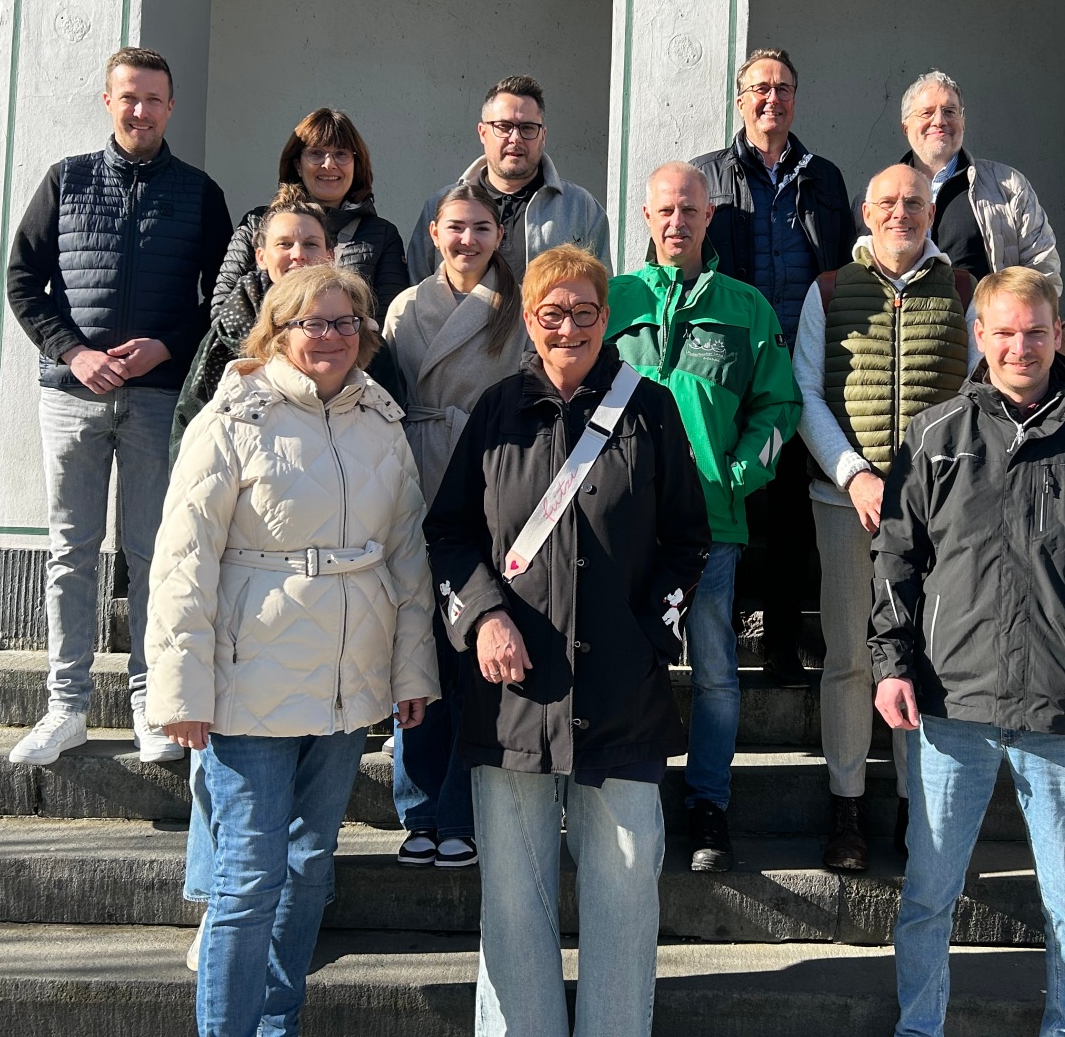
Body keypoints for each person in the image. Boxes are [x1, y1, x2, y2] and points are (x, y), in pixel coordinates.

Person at [146, 264, 440, 1037]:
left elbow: (408, 553)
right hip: (251, 681)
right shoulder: (231, 417)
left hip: (349, 681)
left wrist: (414, 668)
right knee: (247, 881)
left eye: (347, 323)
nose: (332, 337)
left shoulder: (381, 417)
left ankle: (279, 1025)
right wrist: (179, 692)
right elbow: (182, 562)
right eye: (314, 322)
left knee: (310, 870)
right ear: (278, 330)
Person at [426, 243, 710, 1037]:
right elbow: (447, 533)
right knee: (515, 907)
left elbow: (691, 539)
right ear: (530, 319)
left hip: (624, 698)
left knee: (623, 901)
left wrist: (653, 633)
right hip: (514, 700)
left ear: (606, 319)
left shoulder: (650, 409)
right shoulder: (494, 411)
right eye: (554, 313)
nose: (570, 327)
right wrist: (483, 616)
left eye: (586, 312)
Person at [872, 266, 1065, 1037]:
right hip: (952, 701)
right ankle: (918, 1027)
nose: (1020, 346)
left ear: (1059, 334)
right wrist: (891, 663)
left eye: (1035, 331)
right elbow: (898, 557)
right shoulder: (936, 435)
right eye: (1004, 331)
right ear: (981, 336)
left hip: (1064, 707)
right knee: (930, 893)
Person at [3, 46, 233, 767]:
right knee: (70, 553)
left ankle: (150, 703)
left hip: (159, 401)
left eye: (154, 99)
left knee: (155, 555)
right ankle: (65, 705)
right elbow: (22, 282)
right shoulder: (66, 181)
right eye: (128, 97)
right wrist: (73, 352)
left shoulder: (199, 193)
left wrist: (166, 347)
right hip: (71, 399)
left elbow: (222, 306)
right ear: (109, 101)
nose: (141, 110)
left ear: (171, 106)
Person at [606, 162, 802, 874]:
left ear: (709, 215)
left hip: (714, 525)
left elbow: (778, 407)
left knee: (716, 670)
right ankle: (637, 797)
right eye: (664, 209)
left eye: (690, 208)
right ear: (648, 217)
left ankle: (709, 803)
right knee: (635, 662)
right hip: (627, 526)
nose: (677, 221)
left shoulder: (745, 306)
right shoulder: (615, 298)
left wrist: (739, 472)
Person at [792, 164, 976, 872]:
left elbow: (974, 390)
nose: (902, 212)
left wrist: (930, 483)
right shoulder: (830, 289)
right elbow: (806, 392)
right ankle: (846, 808)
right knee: (847, 660)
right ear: (866, 212)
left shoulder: (960, 291)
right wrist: (856, 473)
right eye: (889, 202)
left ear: (932, 212)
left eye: (915, 202)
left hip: (935, 513)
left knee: (923, 661)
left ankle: (913, 809)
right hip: (844, 503)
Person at [692, 48, 854, 688]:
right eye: (759, 88)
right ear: (740, 101)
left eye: (783, 88)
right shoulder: (709, 174)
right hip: (731, 373)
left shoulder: (825, 178)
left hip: (800, 370)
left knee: (791, 512)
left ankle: (782, 644)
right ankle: (719, 639)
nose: (772, 99)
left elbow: (841, 270)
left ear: (795, 100)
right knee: (731, 502)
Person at [384, 183, 529, 871]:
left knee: (472, 652)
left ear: (499, 235)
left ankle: (460, 811)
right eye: (455, 228)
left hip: (489, 485)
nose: (467, 240)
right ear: (434, 234)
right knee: (417, 650)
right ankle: (417, 805)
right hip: (414, 477)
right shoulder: (406, 307)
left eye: (480, 228)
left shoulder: (520, 307)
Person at [211, 107, 409, 322]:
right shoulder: (256, 223)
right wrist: (282, 348)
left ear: (356, 164)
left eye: (341, 154)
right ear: (298, 164)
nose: (329, 164)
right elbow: (223, 309)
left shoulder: (382, 235)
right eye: (316, 153)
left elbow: (389, 322)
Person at [408, 76, 611, 282]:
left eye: (528, 128)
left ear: (543, 135)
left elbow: (602, 291)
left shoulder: (580, 208)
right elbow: (417, 290)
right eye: (504, 126)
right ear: (483, 132)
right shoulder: (440, 205)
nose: (515, 138)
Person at [171, 198, 330, 460]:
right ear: (261, 257)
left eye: (311, 244)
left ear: (329, 255)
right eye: (284, 244)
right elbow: (190, 422)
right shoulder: (225, 334)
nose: (298, 254)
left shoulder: (354, 330)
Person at [896, 70, 1061, 292]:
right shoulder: (877, 199)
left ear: (962, 122)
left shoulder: (1009, 186)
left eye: (950, 111)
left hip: (984, 325)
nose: (939, 121)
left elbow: (1042, 269)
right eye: (926, 113)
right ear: (905, 126)